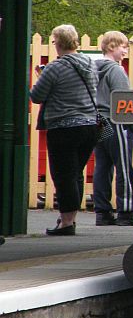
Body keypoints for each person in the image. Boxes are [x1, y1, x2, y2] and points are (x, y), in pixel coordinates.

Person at [30, 24, 98, 236]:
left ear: (58, 43)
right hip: (90, 126)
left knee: (63, 175)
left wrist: (41, 76)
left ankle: (67, 223)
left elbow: (37, 96)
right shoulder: (90, 64)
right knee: (76, 173)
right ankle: (70, 219)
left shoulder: (55, 68)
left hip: (64, 127)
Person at [93, 31, 133, 226]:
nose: (125, 51)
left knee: (102, 166)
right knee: (123, 166)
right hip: (115, 121)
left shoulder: (93, 68)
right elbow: (123, 101)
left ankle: (102, 212)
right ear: (112, 46)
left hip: (98, 121)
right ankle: (126, 212)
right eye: (124, 47)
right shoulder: (116, 70)